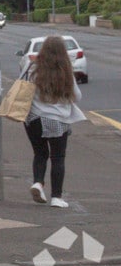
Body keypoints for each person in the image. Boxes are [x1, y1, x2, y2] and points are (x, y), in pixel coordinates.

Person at [22, 34, 87, 207]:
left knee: (40, 153)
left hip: (33, 119)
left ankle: (37, 182)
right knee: (58, 158)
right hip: (57, 121)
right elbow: (77, 97)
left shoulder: (32, 68)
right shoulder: (66, 72)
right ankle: (56, 197)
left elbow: (22, 86)